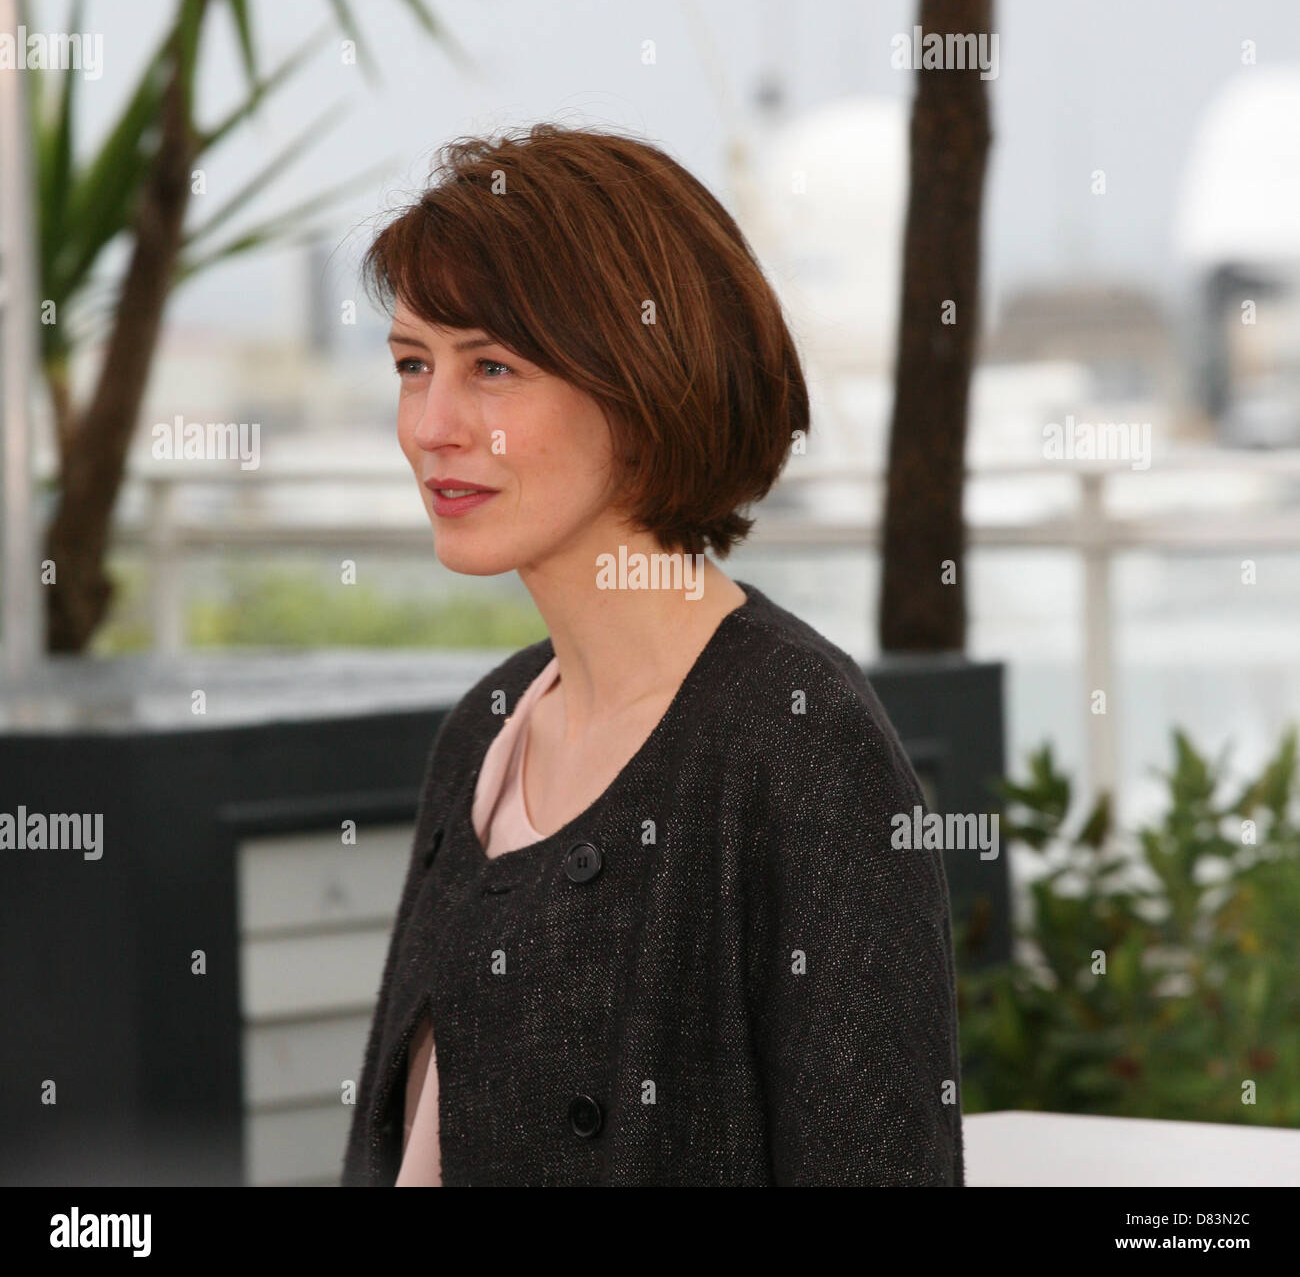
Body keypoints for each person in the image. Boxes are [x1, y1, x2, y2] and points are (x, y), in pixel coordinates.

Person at [341, 123, 963, 1186]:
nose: (432, 425)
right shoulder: (486, 733)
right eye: (412, 365)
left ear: (643, 381)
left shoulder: (797, 744)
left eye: (491, 367)